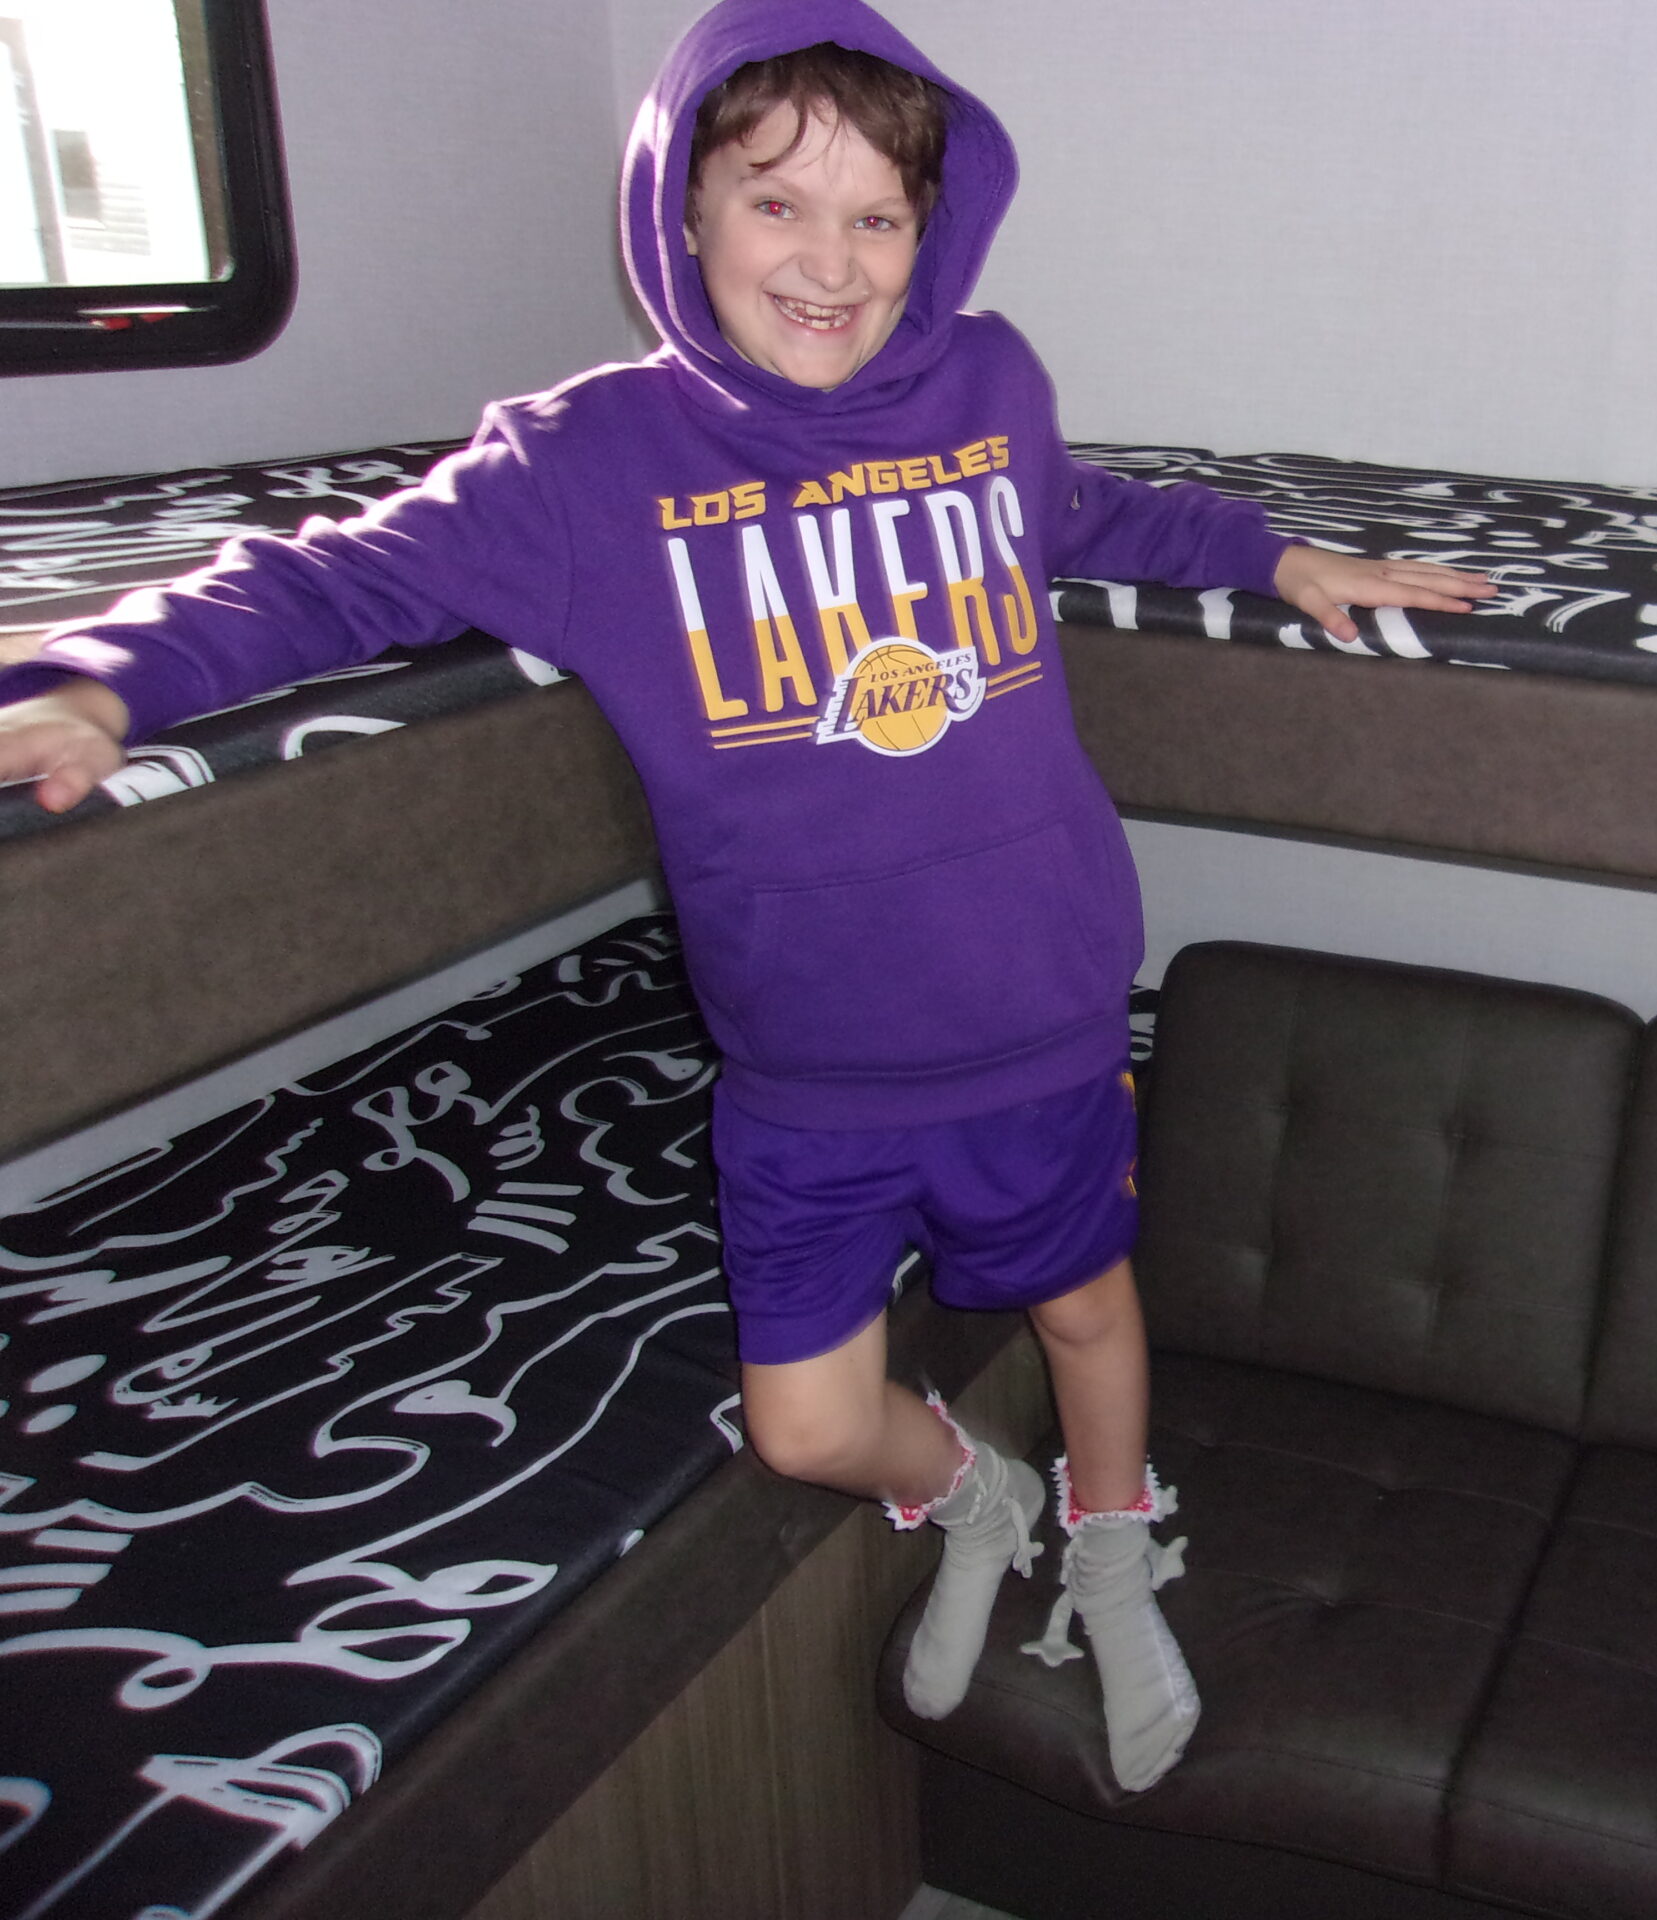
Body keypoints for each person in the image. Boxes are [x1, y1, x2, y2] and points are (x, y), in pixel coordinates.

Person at [0, 0, 1490, 1794]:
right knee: (807, 1427)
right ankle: (979, 1496)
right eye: (778, 203)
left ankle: (1111, 1547)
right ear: (681, 212)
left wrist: (1275, 552)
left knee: (1089, 1311)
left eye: (879, 218)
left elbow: (1081, 512)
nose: (830, 261)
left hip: (1034, 999)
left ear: (932, 232)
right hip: (804, 1065)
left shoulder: (989, 384)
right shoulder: (582, 465)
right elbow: (334, 582)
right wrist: (108, 678)